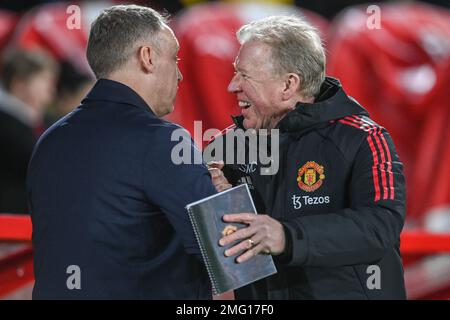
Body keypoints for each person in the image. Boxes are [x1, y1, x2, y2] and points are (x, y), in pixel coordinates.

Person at [205, 15, 407, 299]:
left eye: (244, 75)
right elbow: (214, 250)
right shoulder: (225, 148)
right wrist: (216, 204)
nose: (232, 86)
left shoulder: (363, 139)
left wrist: (287, 236)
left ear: (288, 84)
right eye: (235, 72)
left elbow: (380, 227)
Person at [27, 5, 217, 299]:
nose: (180, 74)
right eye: (174, 59)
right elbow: (225, 251)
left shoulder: (49, 141)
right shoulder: (163, 141)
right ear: (147, 57)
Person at [0, 48, 58, 214]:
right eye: (44, 81)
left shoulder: (42, 119)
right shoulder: (5, 124)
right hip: (10, 219)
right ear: (19, 84)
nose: (50, 90)